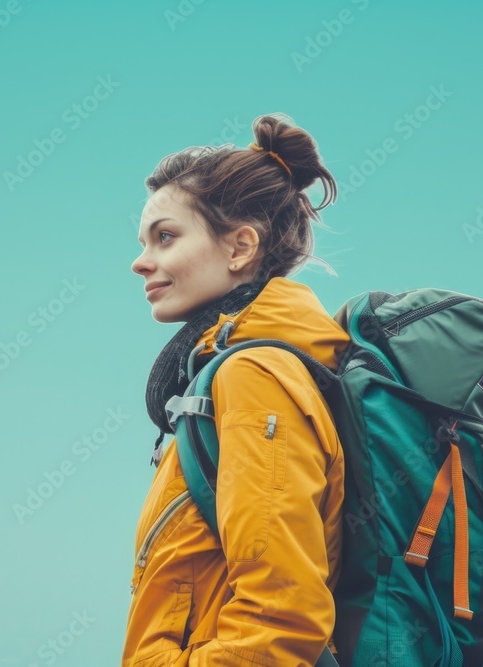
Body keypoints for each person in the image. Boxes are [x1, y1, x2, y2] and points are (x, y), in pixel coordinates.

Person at [123, 113, 351, 666]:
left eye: (166, 237)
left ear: (240, 246)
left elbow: (282, 617)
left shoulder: (255, 378)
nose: (140, 262)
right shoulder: (235, 374)